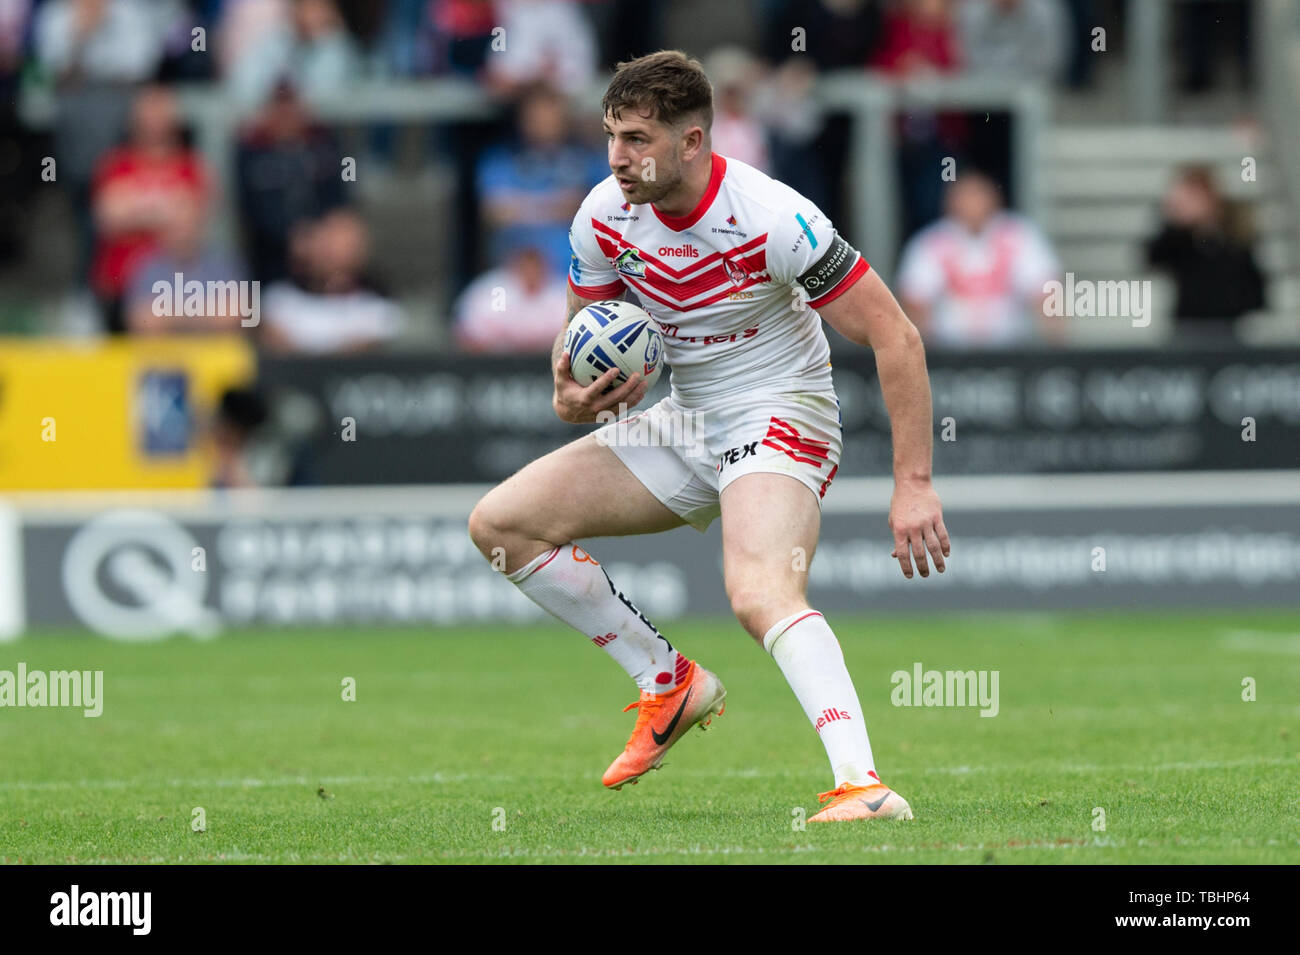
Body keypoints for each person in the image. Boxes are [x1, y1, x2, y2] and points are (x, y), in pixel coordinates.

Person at [468, 51, 949, 823]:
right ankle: (668, 680)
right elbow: (572, 361)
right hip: (686, 418)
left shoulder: (774, 218)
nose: (618, 158)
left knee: (759, 592)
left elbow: (897, 339)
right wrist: (571, 395)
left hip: (780, 410)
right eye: (611, 136)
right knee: (500, 526)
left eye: (636, 139)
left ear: (692, 142)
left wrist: (914, 482)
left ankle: (863, 785)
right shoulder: (601, 216)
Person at [897, 171, 1061, 347]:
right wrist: (922, 353)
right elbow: (915, 299)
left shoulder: (1020, 235)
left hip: (1012, 346)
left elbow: (1046, 291)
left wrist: (1056, 347)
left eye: (978, 195)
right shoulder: (931, 242)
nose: (973, 204)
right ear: (950, 202)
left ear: (995, 199)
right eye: (965, 196)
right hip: (949, 350)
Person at [1145, 165, 1266, 340]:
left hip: (1229, 327)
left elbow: (1252, 283)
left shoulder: (1234, 235)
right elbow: (1153, 258)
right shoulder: (1179, 237)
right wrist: (1175, 222)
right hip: (1188, 326)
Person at [453, 242, 570, 353]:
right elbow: (468, 333)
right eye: (526, 266)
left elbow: (570, 337)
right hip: (495, 363)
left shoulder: (559, 292)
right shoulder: (493, 289)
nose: (531, 272)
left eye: (535, 267)